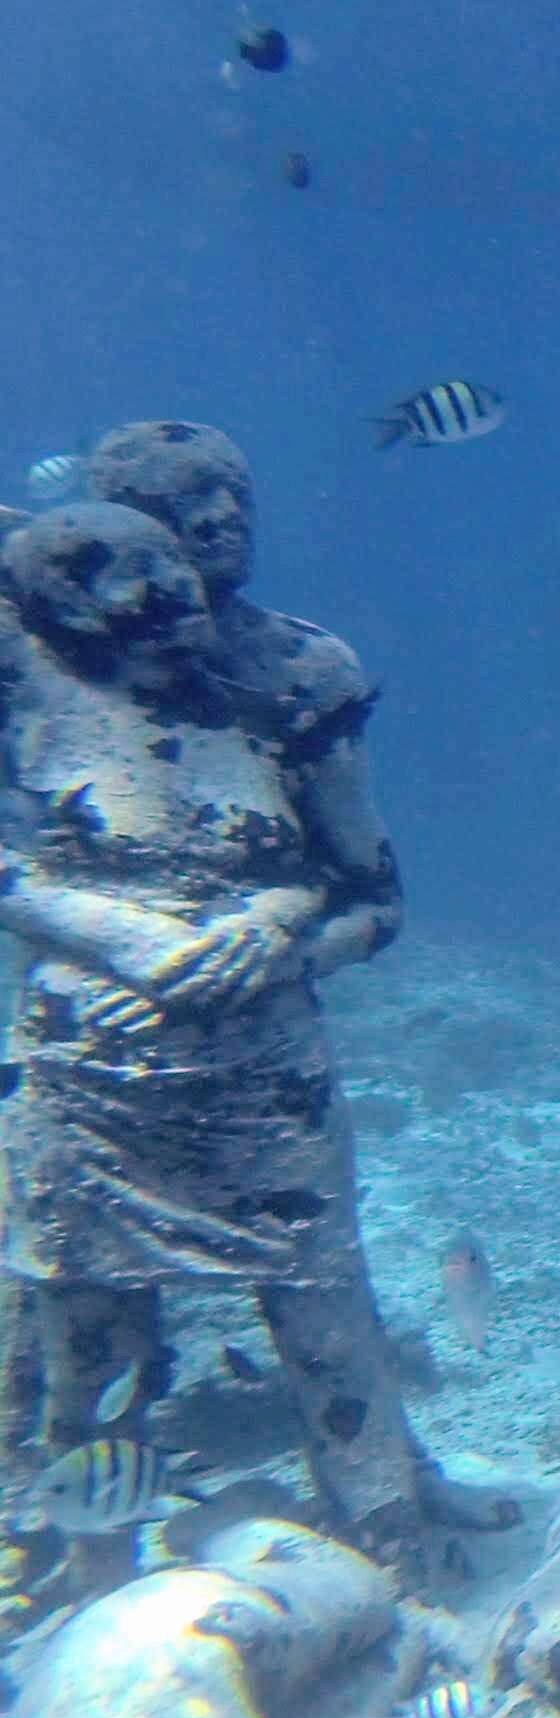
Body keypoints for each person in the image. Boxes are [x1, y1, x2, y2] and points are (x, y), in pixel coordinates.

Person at [0, 467, 436, 1569]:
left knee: (327, 1321)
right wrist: (116, 934)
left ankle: (391, 1550)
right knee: (88, 1341)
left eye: (229, 509)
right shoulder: (23, 694)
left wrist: (278, 935)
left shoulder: (293, 682)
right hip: (90, 1088)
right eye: (142, 549)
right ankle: (76, 1584)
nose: (193, 556)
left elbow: (370, 896)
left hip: (265, 1087)